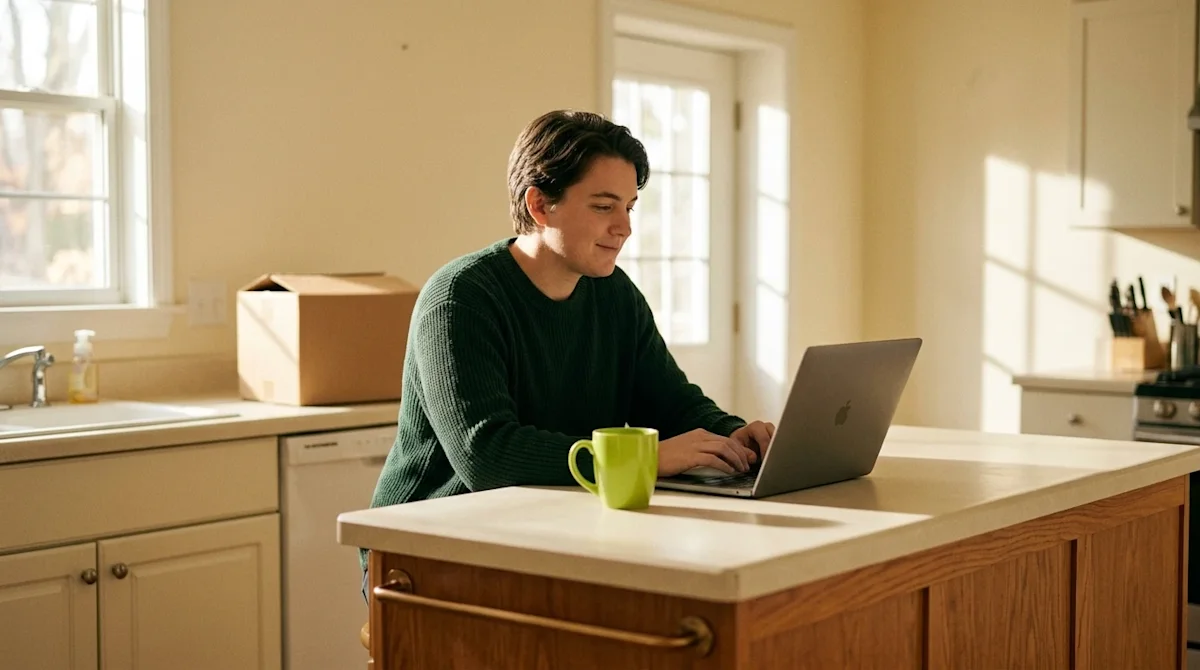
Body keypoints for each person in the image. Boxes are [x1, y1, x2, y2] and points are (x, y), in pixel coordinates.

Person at [360, 109, 775, 590]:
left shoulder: (615, 294)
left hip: (548, 531)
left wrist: (735, 438)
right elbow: (487, 455)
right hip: (424, 547)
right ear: (540, 205)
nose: (624, 227)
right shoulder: (460, 298)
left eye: (630, 207)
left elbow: (672, 402)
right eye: (604, 206)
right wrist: (648, 460)